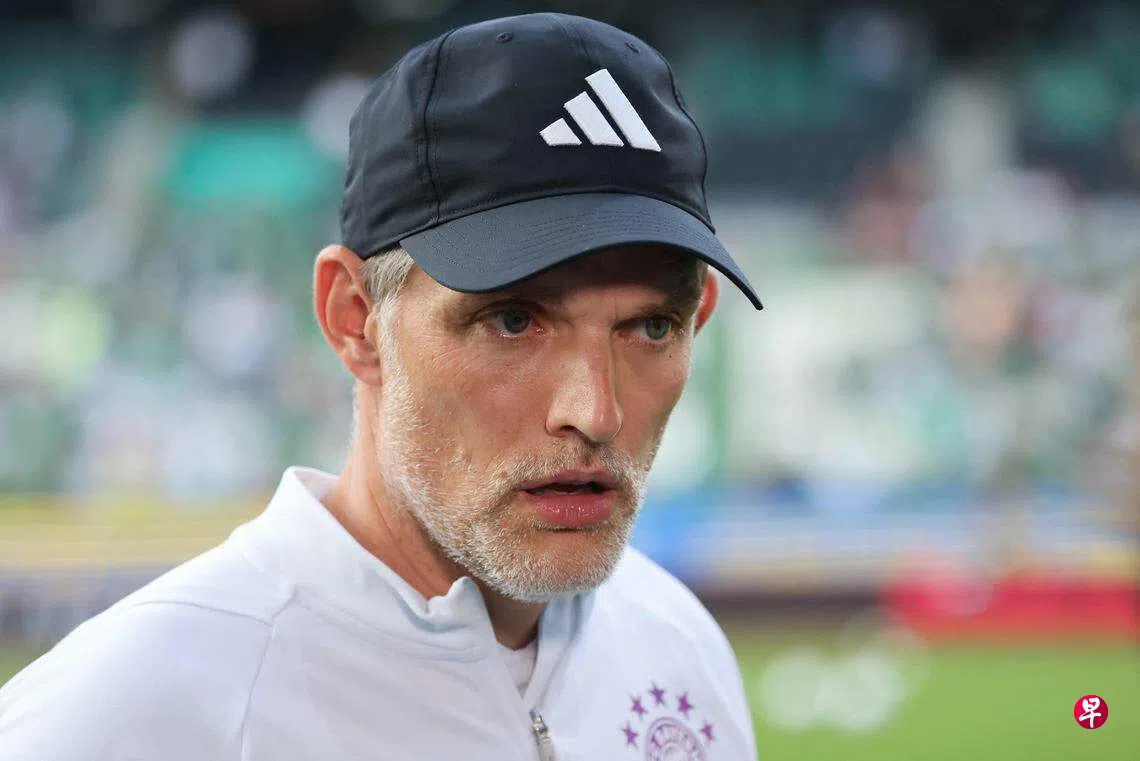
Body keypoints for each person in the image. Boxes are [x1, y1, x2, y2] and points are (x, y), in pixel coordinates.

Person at [0, 12, 763, 760]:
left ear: (699, 316)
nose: (595, 411)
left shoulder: (679, 646)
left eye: (651, 327)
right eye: (513, 321)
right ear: (353, 318)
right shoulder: (133, 707)